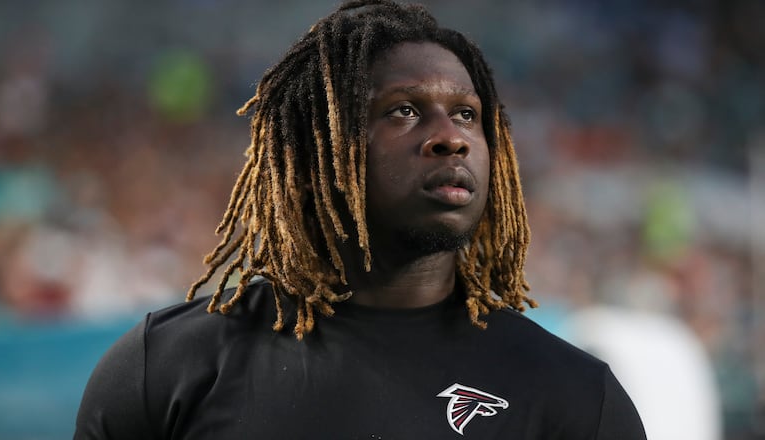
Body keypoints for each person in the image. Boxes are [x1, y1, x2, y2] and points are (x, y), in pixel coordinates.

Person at [74, 1, 647, 438]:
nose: (451, 137)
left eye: (467, 115)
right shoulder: (165, 368)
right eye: (404, 110)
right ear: (314, 150)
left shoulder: (574, 398)